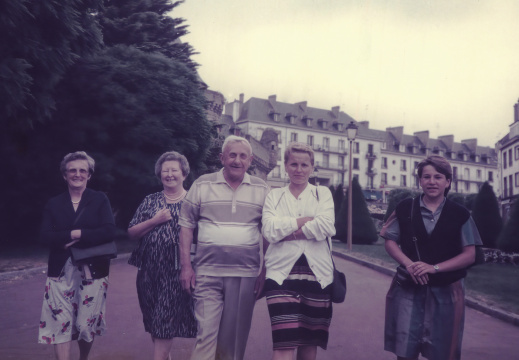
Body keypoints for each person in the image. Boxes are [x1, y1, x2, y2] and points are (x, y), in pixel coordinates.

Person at [381, 155, 483, 360]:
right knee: (405, 349)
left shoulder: (460, 214)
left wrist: (433, 268)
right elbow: (390, 241)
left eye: (438, 177)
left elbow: (469, 255)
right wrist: (409, 265)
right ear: (420, 181)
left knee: (443, 351)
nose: (432, 182)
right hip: (409, 288)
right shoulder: (405, 208)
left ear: (448, 182)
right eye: (426, 177)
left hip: (447, 291)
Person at [178, 135, 270, 360]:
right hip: (207, 273)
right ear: (222, 158)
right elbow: (186, 225)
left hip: (245, 275)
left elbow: (268, 233)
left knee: (233, 341)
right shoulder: (202, 184)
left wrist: (264, 272)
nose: (237, 161)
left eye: (242, 156)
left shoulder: (262, 189)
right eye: (232, 155)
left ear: (250, 161)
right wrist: (186, 267)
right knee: (205, 336)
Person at [261, 142, 336, 360]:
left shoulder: (322, 194)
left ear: (312, 167)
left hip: (318, 275)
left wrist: (287, 232)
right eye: (294, 164)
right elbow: (269, 231)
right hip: (280, 275)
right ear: (285, 166)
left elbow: (326, 226)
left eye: (304, 164)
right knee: (283, 342)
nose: (299, 169)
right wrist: (303, 221)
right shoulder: (274, 196)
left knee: (308, 342)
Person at [38, 151, 116, 360]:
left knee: (84, 324)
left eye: (83, 170)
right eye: (72, 170)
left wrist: (81, 234)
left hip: (93, 271)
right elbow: (44, 236)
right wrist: (70, 234)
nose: (77, 174)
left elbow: (109, 231)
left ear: (89, 175)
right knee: (59, 322)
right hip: (60, 271)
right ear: (65, 175)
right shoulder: (54, 203)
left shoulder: (99, 199)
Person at [127, 151, 197, 360]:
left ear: (184, 174)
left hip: (175, 272)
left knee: (163, 322)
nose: (169, 174)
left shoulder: (192, 202)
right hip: (148, 272)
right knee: (154, 322)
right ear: (159, 174)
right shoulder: (151, 201)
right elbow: (131, 232)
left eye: (174, 170)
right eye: (165, 171)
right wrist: (154, 221)